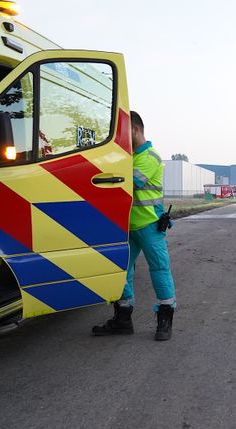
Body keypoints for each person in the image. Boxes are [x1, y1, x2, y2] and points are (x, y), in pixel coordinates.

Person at [92, 111, 176, 341]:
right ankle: (123, 319)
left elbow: (126, 183)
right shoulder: (129, 158)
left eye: (123, 132)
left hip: (149, 226)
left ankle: (165, 320)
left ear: (136, 130)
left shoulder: (150, 157)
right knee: (122, 273)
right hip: (126, 227)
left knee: (159, 270)